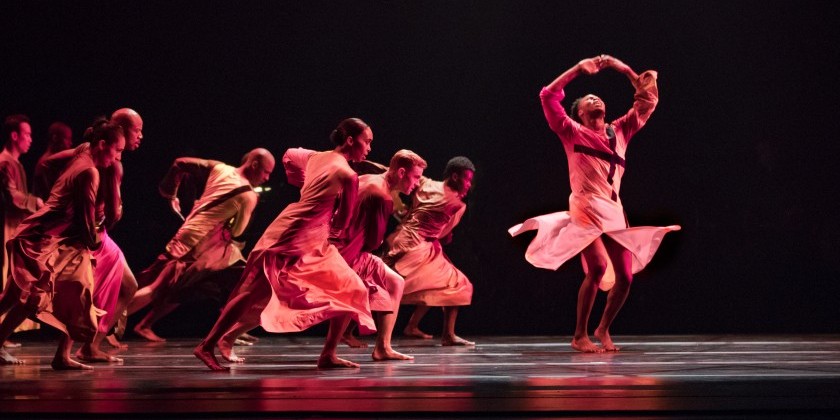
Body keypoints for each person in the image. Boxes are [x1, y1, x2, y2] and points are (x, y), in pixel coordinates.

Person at [508, 55, 680, 353]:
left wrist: (622, 68)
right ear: (580, 113)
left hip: (613, 211)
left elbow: (648, 98)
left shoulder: (620, 131)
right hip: (586, 209)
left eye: (597, 96)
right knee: (598, 267)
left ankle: (603, 327)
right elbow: (547, 96)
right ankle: (579, 335)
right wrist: (577, 69)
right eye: (589, 98)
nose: (595, 98)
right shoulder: (572, 132)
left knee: (625, 278)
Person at [194, 118, 376, 371]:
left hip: (299, 229)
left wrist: (303, 184)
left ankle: (328, 354)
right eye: (366, 142)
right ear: (350, 140)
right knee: (255, 291)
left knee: (352, 288)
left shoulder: (315, 157)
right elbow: (343, 221)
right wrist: (329, 219)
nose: (368, 148)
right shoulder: (348, 175)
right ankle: (208, 344)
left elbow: (290, 155)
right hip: (301, 235)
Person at [0, 119, 125, 369]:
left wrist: (58, 195)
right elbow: (85, 220)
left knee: (18, 296)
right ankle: (63, 355)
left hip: (42, 232)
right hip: (43, 237)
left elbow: (47, 163)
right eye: (117, 150)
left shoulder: (82, 150)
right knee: (29, 297)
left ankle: (62, 356)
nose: (118, 157)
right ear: (102, 144)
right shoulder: (90, 172)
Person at [284, 147, 426, 361]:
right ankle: (332, 353)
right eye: (415, 178)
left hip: (339, 246)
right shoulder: (383, 197)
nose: (416, 184)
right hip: (347, 253)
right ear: (402, 173)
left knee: (394, 283)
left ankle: (381, 348)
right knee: (350, 293)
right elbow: (373, 240)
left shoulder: (370, 178)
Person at [128, 148, 275, 342]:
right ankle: (101, 325)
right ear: (254, 164)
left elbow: (180, 162)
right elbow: (237, 232)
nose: (266, 178)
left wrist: (171, 193)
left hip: (192, 237)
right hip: (196, 245)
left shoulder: (220, 168)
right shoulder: (248, 196)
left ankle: (228, 329)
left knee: (189, 286)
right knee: (156, 288)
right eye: (266, 172)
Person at [37, 109, 144, 361]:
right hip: (91, 232)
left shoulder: (89, 148)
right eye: (137, 130)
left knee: (124, 286)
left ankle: (89, 345)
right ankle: (70, 351)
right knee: (87, 291)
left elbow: (46, 164)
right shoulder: (114, 165)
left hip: (96, 231)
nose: (140, 135)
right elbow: (116, 212)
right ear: (121, 130)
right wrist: (66, 203)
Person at [385, 156, 476, 346]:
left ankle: (420, 328)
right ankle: (447, 335)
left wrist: (402, 211)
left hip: (403, 239)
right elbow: (443, 232)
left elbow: (398, 179)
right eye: (466, 179)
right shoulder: (458, 205)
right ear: (454, 177)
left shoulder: (425, 182)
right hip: (417, 248)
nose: (469, 184)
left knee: (439, 284)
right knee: (458, 284)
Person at [0, 114, 45, 347]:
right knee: (6, 277)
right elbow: (11, 196)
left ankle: (3, 333)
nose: (30, 139)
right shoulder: (4, 162)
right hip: (7, 226)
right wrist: (34, 202)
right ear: (14, 135)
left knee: (11, 280)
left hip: (16, 226)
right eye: (26, 134)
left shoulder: (14, 163)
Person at [32, 121, 74, 200]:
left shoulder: (56, 162)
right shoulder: (46, 164)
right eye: (67, 139)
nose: (70, 143)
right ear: (55, 138)